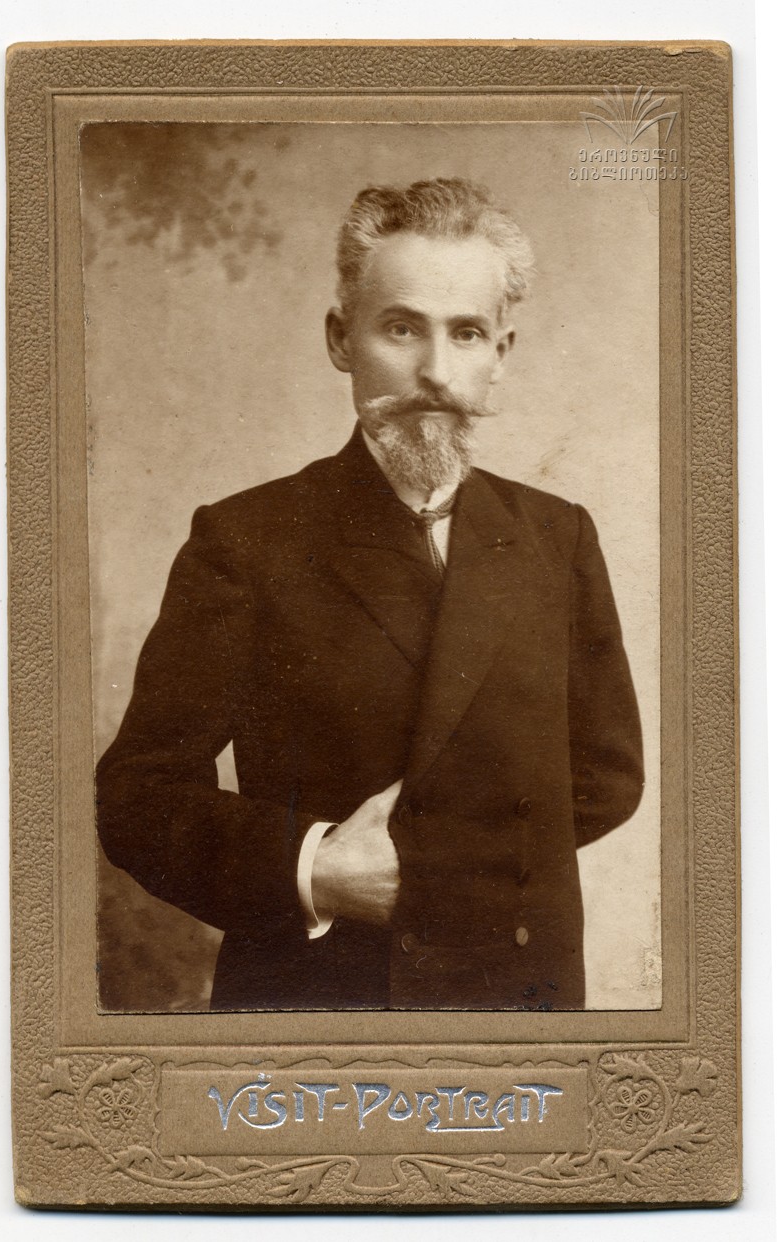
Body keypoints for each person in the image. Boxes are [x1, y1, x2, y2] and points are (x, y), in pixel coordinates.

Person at [96, 177, 644, 1012]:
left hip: (515, 1001)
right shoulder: (245, 540)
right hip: (314, 1001)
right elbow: (137, 798)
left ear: (501, 355)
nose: (435, 372)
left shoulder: (557, 535)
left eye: (466, 333)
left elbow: (608, 776)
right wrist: (313, 867)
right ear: (340, 338)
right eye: (401, 328)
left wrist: (437, 864)